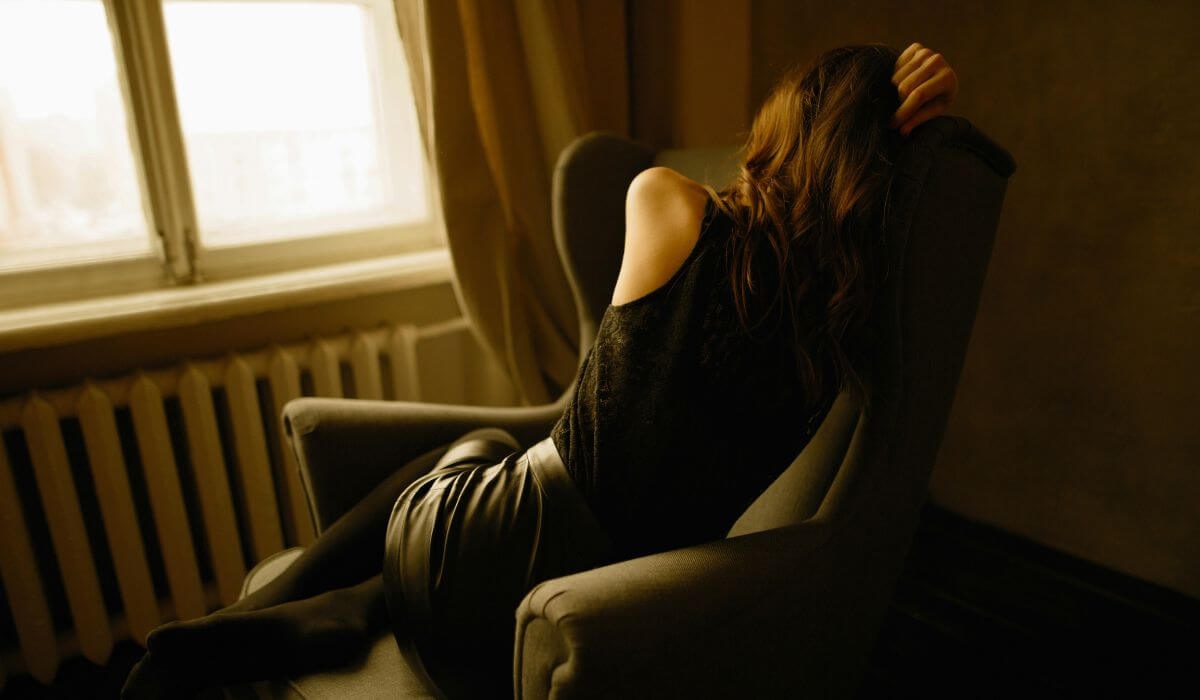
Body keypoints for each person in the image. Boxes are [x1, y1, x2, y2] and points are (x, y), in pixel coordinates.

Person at [122, 41, 958, 697]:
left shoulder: (666, 202)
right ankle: (358, 604)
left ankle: (288, 607)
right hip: (572, 611)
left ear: (783, 135)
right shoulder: (840, 353)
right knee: (490, 457)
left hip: (472, 554)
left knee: (479, 441)